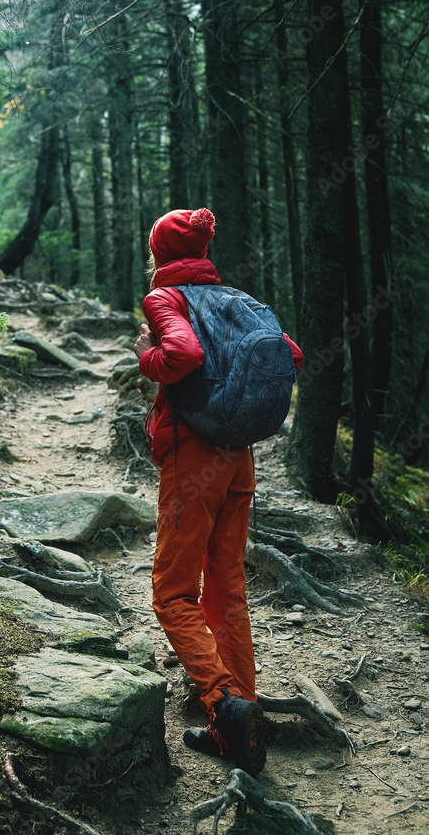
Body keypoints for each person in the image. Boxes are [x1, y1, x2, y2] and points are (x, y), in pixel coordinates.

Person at [133, 208, 304, 777]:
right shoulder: (238, 300)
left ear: (159, 253)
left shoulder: (166, 300)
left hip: (194, 458)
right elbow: (291, 355)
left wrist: (145, 354)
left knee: (172, 593)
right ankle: (239, 734)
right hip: (239, 459)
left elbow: (181, 357)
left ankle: (222, 704)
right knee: (226, 587)